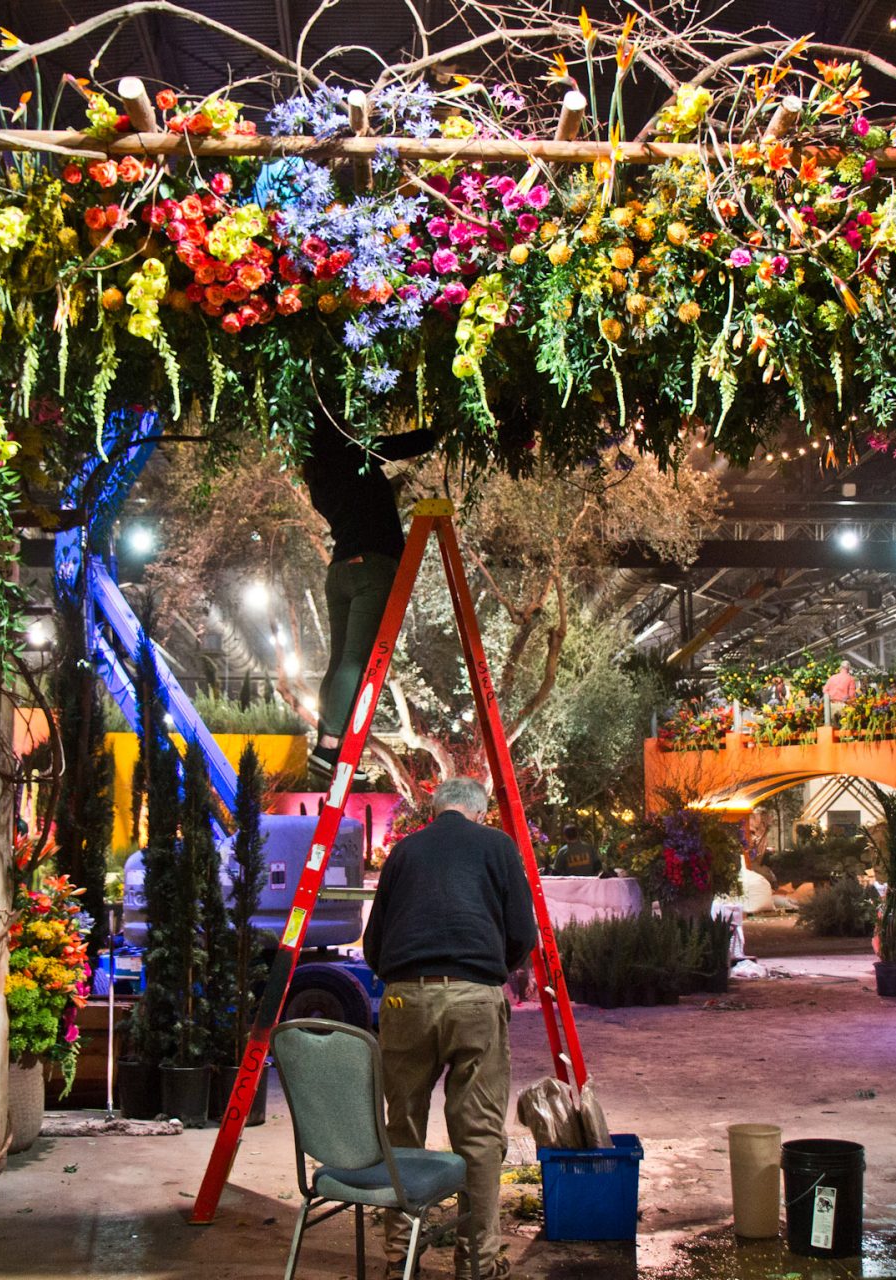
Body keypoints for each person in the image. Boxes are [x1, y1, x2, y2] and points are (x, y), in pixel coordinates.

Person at [362, 778, 537, 1280]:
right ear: (479, 813)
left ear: (436, 810)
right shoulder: (497, 847)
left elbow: (375, 941)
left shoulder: (403, 852)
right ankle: (477, 1264)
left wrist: (405, 981)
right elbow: (521, 932)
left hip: (403, 997)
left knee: (403, 1127)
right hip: (474, 1000)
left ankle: (400, 1257)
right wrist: (483, 974)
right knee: (479, 1136)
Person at [303, 411, 443, 779]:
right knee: (355, 661)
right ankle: (331, 744)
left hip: (340, 571)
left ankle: (328, 742)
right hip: (371, 569)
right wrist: (440, 428)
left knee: (339, 662)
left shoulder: (318, 475)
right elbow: (404, 445)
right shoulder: (354, 452)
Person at [822, 660, 858, 729]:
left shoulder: (832, 677)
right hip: (843, 706)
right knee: (844, 729)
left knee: (832, 729)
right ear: (849, 669)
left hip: (831, 706)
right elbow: (852, 695)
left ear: (840, 668)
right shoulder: (850, 679)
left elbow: (825, 691)